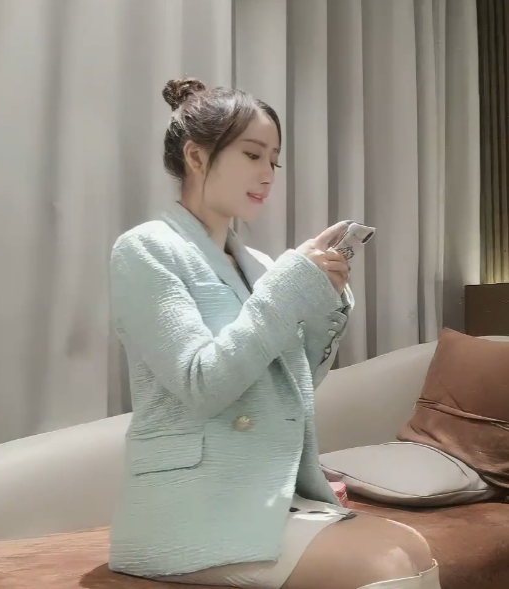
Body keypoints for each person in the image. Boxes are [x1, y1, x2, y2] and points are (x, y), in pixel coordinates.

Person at [108, 78, 441, 589]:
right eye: (252, 155)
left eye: (274, 161)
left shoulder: (259, 265)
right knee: (386, 564)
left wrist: (322, 302)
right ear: (196, 156)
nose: (267, 174)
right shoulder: (145, 250)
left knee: (414, 548)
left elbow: (291, 386)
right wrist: (289, 289)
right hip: (187, 508)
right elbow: (202, 384)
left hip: (262, 492)